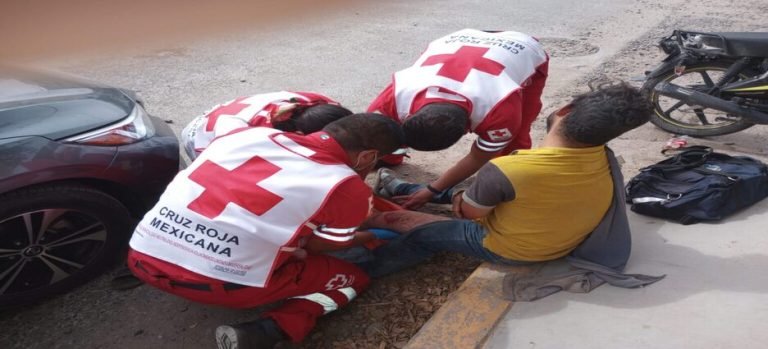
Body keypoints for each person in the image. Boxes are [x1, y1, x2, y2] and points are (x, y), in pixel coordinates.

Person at [126, 113, 405, 349]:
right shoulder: (346, 187)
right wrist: (367, 236)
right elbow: (316, 248)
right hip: (224, 287)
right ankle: (271, 329)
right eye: (375, 162)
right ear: (368, 155)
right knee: (353, 280)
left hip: (141, 255)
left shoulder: (245, 136)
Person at [360, 82, 652, 278]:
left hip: (514, 249)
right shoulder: (603, 155)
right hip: (558, 234)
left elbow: (468, 212)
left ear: (564, 111)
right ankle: (403, 189)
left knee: (412, 227)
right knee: (466, 193)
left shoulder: (509, 168)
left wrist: (461, 198)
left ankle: (368, 267)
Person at [368, 28, 550, 209]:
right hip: (459, 40)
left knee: (515, 138)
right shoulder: (397, 94)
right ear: (409, 116)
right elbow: (368, 139)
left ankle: (510, 181)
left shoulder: (500, 109)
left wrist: (432, 190)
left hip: (523, 47)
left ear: (467, 129)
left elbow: (478, 157)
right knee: (383, 134)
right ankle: (390, 159)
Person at [182, 91, 352, 160]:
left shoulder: (323, 103)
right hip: (201, 138)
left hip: (231, 114)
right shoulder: (249, 140)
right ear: (300, 136)